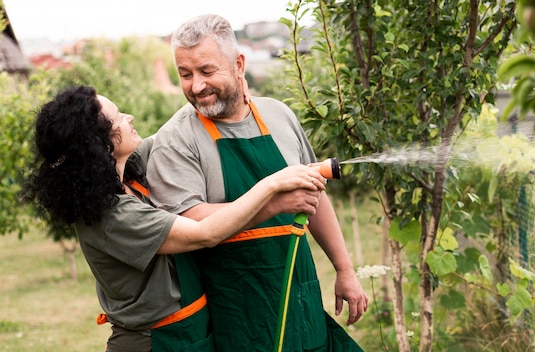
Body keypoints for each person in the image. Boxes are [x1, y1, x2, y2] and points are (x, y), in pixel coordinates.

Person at [23, 85, 327, 352]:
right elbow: (204, 233)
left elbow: (174, 132)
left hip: (188, 331)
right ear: (102, 146)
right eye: (118, 118)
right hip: (152, 342)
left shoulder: (126, 173)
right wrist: (272, 187)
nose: (129, 118)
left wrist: (214, 90)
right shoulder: (113, 216)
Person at [147, 14, 368, 351]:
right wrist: (274, 202)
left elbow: (313, 195)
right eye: (185, 74)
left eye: (207, 71)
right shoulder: (175, 141)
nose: (196, 86)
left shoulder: (279, 115)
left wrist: (345, 269)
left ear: (238, 64)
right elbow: (189, 223)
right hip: (234, 314)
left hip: (299, 299)